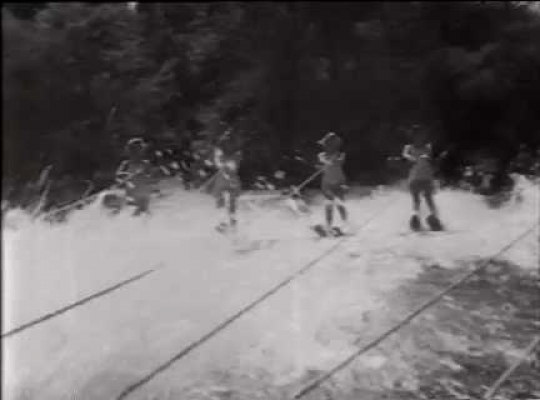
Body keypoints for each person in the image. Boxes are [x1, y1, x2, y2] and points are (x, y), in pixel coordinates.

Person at [402, 125, 442, 230]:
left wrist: (427, 157)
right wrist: (411, 158)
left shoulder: (428, 147)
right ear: (413, 136)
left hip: (426, 177)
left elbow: (430, 157)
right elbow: (405, 155)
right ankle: (415, 216)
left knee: (428, 199)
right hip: (415, 178)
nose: (419, 137)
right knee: (417, 200)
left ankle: (432, 216)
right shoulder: (408, 148)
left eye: (421, 135)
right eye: (417, 135)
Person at [317, 132, 349, 235]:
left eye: (328, 144)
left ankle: (345, 225)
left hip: (340, 183)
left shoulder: (341, 155)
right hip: (327, 184)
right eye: (325, 144)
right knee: (329, 205)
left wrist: (333, 161)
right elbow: (320, 160)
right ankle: (328, 227)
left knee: (340, 205)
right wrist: (326, 162)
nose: (326, 147)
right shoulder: (321, 155)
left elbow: (340, 162)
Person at [211, 132, 243, 233]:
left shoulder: (233, 153)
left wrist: (225, 165)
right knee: (223, 200)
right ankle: (225, 223)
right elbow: (220, 163)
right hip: (225, 181)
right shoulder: (220, 152)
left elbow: (232, 163)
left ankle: (230, 223)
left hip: (229, 180)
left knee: (229, 201)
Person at [115, 138, 154, 216]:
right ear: (129, 151)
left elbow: (151, 176)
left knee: (143, 210)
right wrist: (127, 175)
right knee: (134, 210)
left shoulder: (146, 163)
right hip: (131, 192)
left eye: (139, 149)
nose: (136, 152)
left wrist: (145, 175)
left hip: (143, 192)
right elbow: (118, 174)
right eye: (133, 150)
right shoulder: (126, 163)